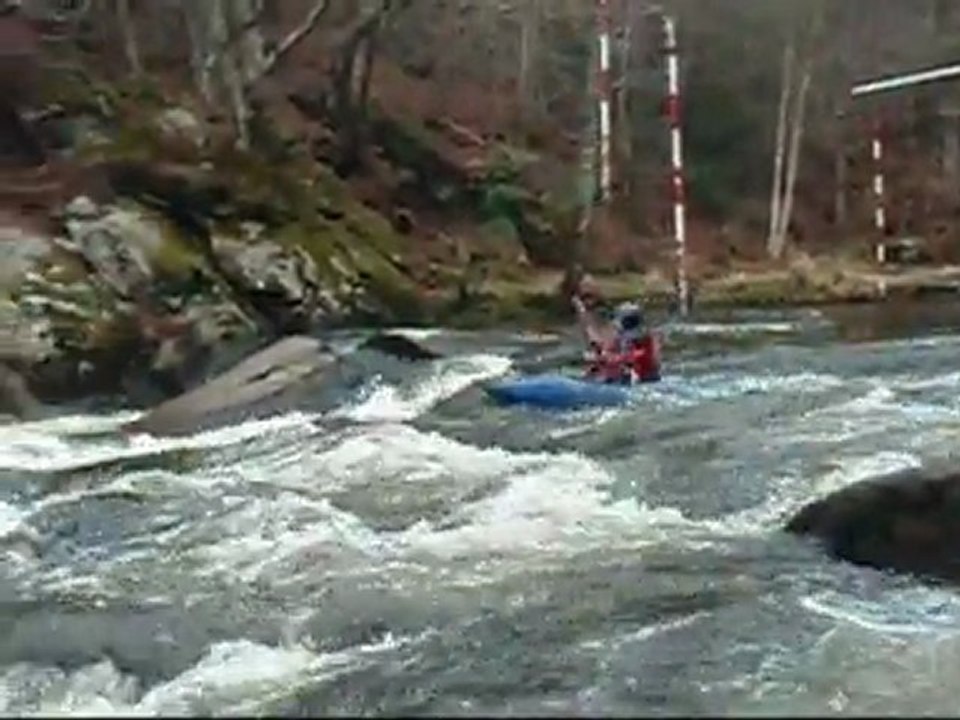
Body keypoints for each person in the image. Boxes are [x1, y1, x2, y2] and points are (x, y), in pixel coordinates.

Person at [571, 290, 661, 385]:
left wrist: (601, 358)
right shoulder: (624, 340)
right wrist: (581, 310)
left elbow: (630, 358)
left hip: (642, 383)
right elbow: (593, 336)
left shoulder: (646, 343)